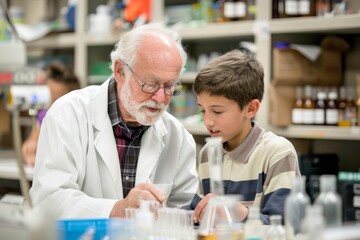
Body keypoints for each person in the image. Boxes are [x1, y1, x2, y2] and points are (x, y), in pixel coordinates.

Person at [29, 23, 198, 219]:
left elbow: (184, 213)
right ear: (120, 71)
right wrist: (118, 209)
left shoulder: (178, 136)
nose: (161, 98)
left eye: (169, 86)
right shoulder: (68, 114)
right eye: (150, 85)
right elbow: (48, 201)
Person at [191, 49, 300, 225]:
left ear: (251, 109)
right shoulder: (208, 153)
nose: (208, 121)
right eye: (202, 110)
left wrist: (238, 212)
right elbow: (197, 214)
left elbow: (285, 226)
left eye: (217, 111)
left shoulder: (277, 153)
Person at [21, 62, 80, 167]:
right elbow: (30, 144)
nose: (51, 106)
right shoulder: (44, 115)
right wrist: (30, 149)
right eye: (48, 98)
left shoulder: (78, 121)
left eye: (57, 100)